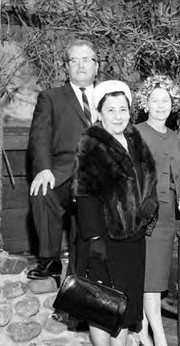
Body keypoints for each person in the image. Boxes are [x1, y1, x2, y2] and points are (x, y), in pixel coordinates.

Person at [73, 80, 158, 346]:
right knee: (103, 305)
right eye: (111, 110)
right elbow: (84, 194)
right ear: (99, 113)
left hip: (133, 236)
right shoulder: (91, 143)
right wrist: (95, 239)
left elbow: (150, 176)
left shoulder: (135, 138)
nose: (119, 115)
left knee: (127, 301)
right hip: (103, 238)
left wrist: (149, 207)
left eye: (123, 109)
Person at [135, 75, 180, 346]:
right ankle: (156, 334)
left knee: (157, 275)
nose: (161, 105)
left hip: (165, 215)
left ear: (172, 104)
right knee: (148, 275)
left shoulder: (175, 137)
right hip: (143, 213)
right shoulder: (135, 133)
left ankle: (141, 329)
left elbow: (177, 178)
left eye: (166, 101)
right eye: (155, 100)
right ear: (145, 104)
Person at [27, 39, 99, 283]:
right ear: (66, 67)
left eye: (86, 59)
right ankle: (49, 260)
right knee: (41, 192)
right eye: (74, 60)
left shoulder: (109, 98)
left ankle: (85, 273)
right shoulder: (51, 97)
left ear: (96, 66)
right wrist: (44, 169)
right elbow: (40, 135)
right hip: (63, 172)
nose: (80, 65)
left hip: (100, 174)